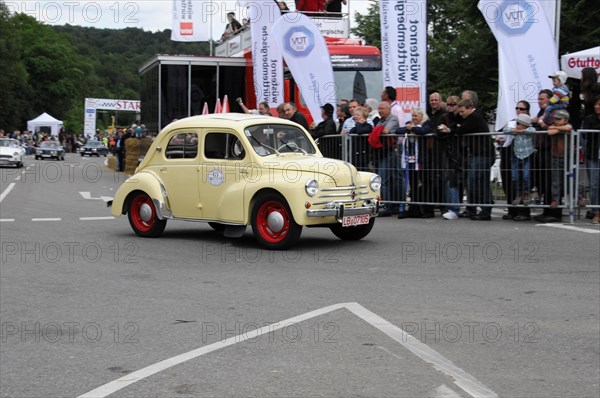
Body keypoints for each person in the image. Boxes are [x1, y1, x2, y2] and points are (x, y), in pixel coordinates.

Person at [441, 98, 495, 220]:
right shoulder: (467, 117)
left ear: (470, 109)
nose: (460, 114)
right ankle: (480, 208)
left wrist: (451, 129)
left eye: (462, 111)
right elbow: (457, 123)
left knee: (479, 182)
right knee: (476, 182)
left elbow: (460, 130)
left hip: (484, 154)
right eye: (459, 111)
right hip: (477, 154)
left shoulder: (475, 118)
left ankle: (485, 209)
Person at [496, 100, 533, 221]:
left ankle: (524, 211)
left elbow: (532, 132)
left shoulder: (528, 123)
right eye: (517, 108)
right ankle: (512, 209)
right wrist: (500, 138)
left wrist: (520, 130)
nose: (518, 111)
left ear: (527, 111)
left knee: (524, 179)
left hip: (524, 154)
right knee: (511, 180)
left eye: (522, 109)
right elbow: (504, 132)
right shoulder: (512, 122)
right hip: (509, 152)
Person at [398, 108, 433, 218]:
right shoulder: (410, 126)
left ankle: (427, 210)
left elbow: (423, 131)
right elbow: (398, 130)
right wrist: (410, 128)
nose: (414, 118)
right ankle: (414, 209)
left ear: (422, 117)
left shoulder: (427, 124)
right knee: (413, 186)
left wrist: (412, 128)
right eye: (413, 116)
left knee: (425, 186)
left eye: (416, 116)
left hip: (422, 161)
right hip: (411, 162)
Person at [373, 101, 400, 217]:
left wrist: (377, 130)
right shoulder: (380, 121)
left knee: (384, 180)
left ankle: (387, 206)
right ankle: (389, 205)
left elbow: (385, 131)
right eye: (379, 109)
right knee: (385, 180)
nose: (380, 111)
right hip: (381, 152)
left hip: (390, 152)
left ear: (389, 109)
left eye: (382, 109)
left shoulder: (393, 119)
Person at [504, 113, 536, 206]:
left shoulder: (529, 129)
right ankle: (518, 193)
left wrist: (522, 131)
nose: (518, 125)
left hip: (527, 154)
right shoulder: (515, 129)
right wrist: (515, 130)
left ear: (525, 124)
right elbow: (506, 130)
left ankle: (526, 193)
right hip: (516, 155)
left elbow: (532, 130)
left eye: (520, 124)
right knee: (515, 176)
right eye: (518, 123)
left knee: (526, 175)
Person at [547, 109, 573, 208]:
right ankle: (556, 199)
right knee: (556, 180)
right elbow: (550, 132)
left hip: (568, 157)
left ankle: (578, 197)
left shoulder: (568, 126)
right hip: (556, 157)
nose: (556, 121)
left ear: (566, 120)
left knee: (571, 179)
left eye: (559, 119)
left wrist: (558, 128)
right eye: (555, 119)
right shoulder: (554, 127)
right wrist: (558, 128)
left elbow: (568, 128)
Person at [581, 96, 600, 224]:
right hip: (593, 154)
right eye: (596, 104)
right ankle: (596, 212)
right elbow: (585, 134)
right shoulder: (589, 119)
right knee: (594, 184)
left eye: (599, 104)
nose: (596, 106)